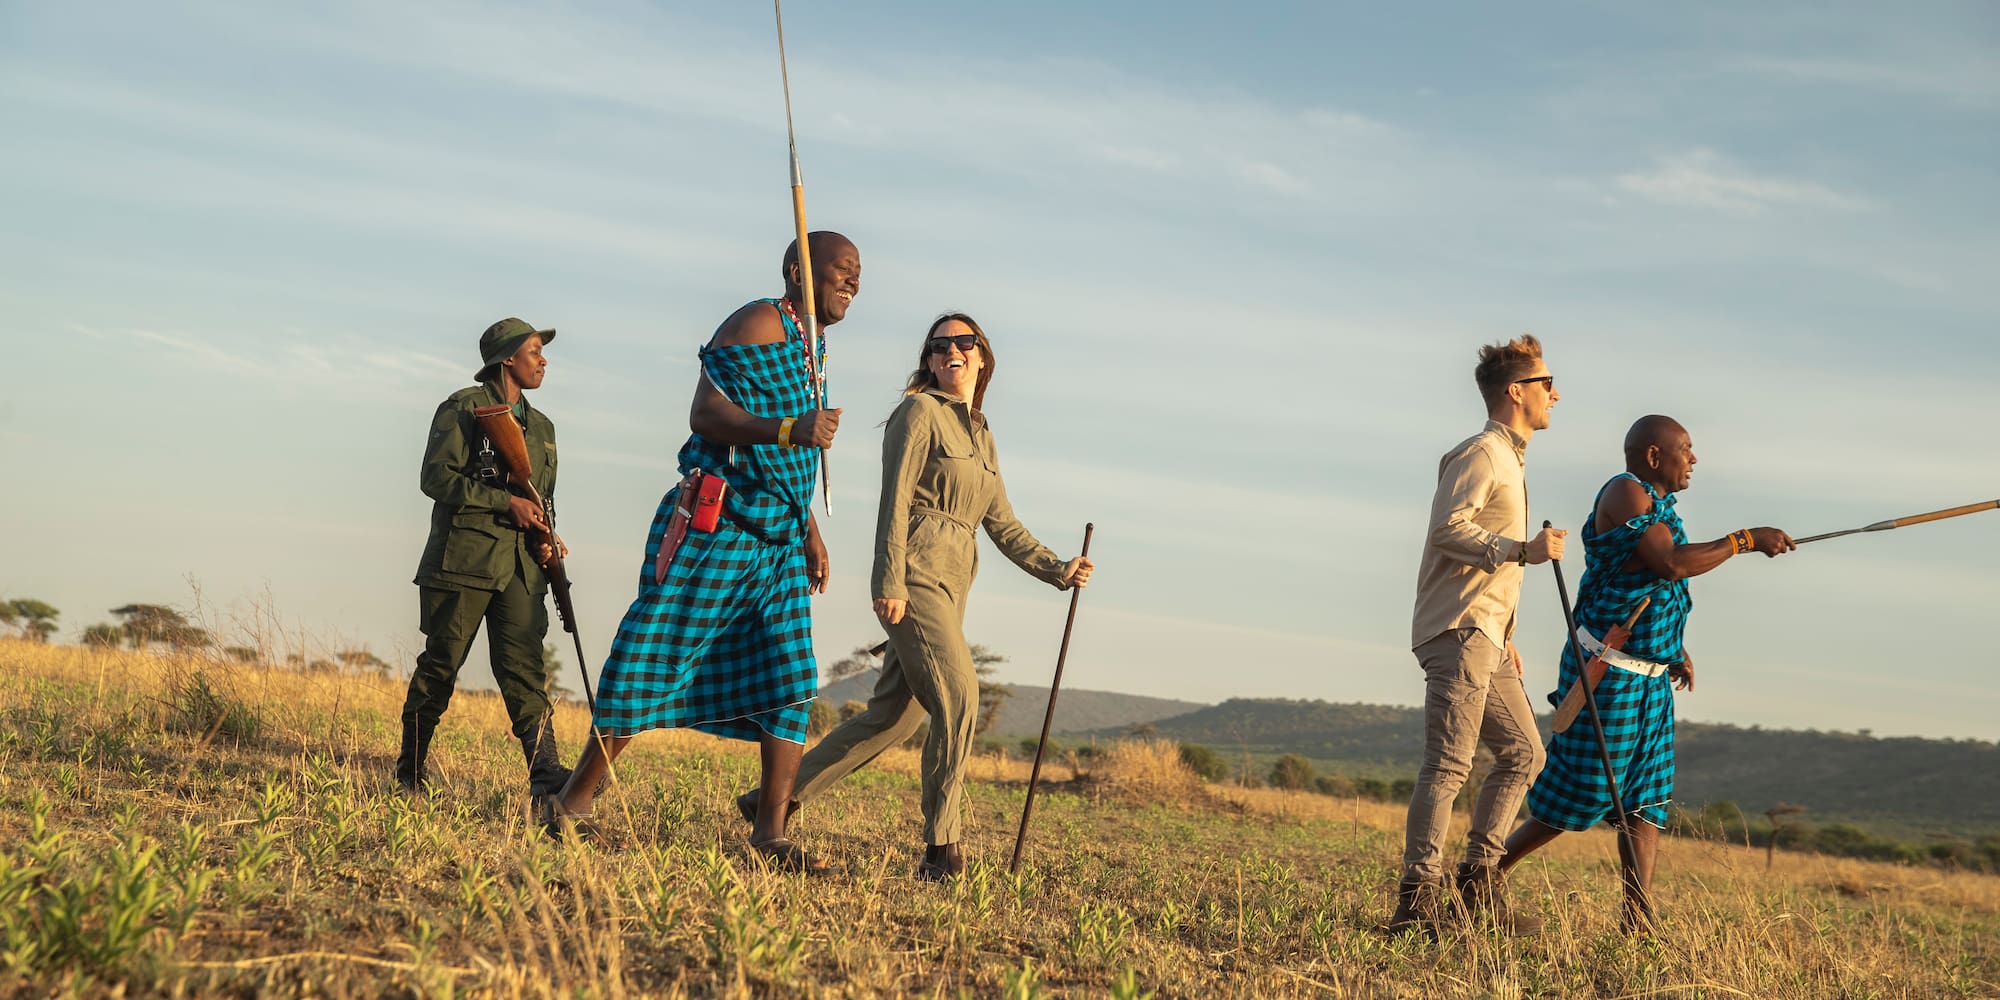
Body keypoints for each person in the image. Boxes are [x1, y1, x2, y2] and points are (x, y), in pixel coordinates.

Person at [736, 313, 1093, 881]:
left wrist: (1058, 568)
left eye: (963, 342)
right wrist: (889, 582)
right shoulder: (919, 411)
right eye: (938, 345)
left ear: (982, 356)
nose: (951, 351)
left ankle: (772, 801)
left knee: (892, 720)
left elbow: (1002, 523)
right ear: (928, 360)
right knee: (960, 696)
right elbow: (895, 499)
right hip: (916, 573)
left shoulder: (982, 435)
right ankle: (941, 848)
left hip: (956, 581)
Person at [542, 232, 858, 871]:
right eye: (843, 270)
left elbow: (784, 465)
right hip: (722, 525)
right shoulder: (760, 321)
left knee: (791, 680)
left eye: (859, 275)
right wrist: (791, 428)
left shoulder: (813, 348)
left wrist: (809, 530)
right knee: (656, 657)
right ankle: (571, 803)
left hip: (778, 540)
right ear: (799, 269)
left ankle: (769, 837)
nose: (853, 283)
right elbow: (706, 413)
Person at [1498, 415, 1794, 931]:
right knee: (1585, 790)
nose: (1694, 460)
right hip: (1606, 674)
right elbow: (1670, 564)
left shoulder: (1659, 506)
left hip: (1650, 680)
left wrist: (1673, 649)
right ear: (1654, 456)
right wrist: (1744, 539)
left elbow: (1652, 587)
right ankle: (1483, 874)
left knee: (1646, 800)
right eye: (1686, 449)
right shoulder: (1625, 491)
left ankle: (1638, 919)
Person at [1389, 334, 1566, 937]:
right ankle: (1417, 903)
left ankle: (1477, 885)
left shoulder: (1510, 458)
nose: (1556, 395)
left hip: (1486, 633)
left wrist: (1505, 629)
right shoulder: (1482, 453)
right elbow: (1448, 529)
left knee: (1526, 753)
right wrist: (1523, 549)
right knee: (1448, 764)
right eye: (1547, 384)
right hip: (1461, 630)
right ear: (1517, 391)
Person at [398, 318, 570, 802]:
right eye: (533, 351)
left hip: (521, 568)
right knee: (441, 665)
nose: (543, 360)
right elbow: (436, 477)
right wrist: (503, 503)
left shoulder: (543, 428)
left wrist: (548, 535)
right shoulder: (464, 408)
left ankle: (547, 779)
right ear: (506, 359)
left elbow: (542, 497)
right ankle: (409, 772)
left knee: (525, 671)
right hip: (464, 561)